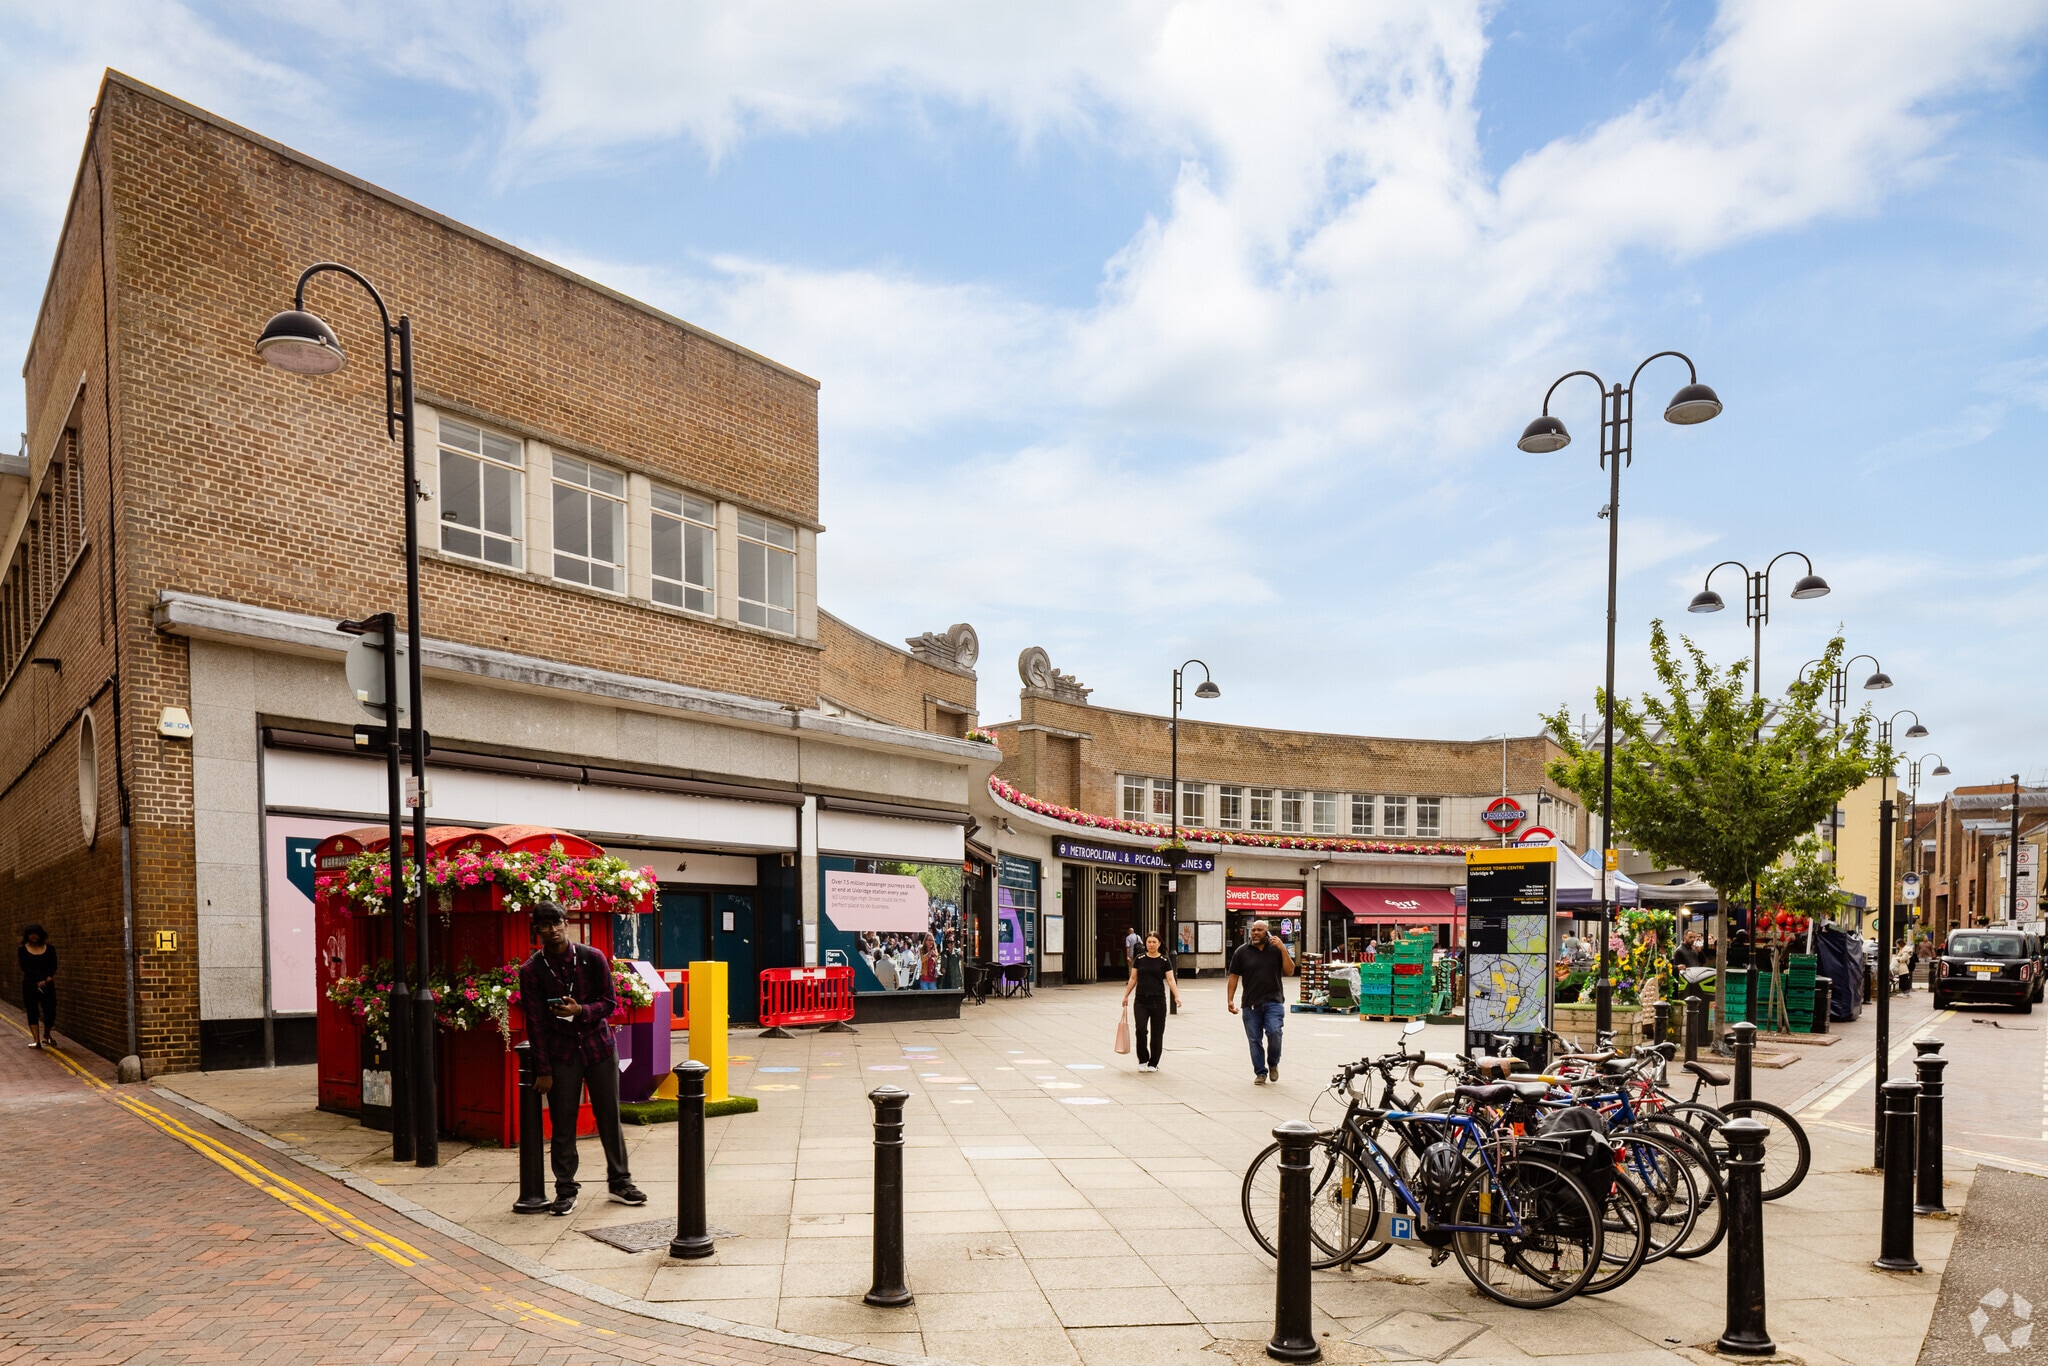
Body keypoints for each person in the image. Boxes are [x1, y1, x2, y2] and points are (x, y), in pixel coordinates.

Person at [518, 902, 646, 1216]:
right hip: (561, 1053)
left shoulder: (592, 958)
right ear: (537, 930)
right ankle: (565, 1190)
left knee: (609, 1117)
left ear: (567, 923)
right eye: (545, 925)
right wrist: (543, 1069)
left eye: (557, 922)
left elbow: (610, 1003)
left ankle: (620, 1182)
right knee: (563, 1123)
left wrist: (580, 1010)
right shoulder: (532, 970)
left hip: (599, 1048)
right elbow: (534, 1022)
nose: (552, 930)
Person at [1226, 919, 1293, 1085]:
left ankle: (1273, 1063)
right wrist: (1230, 1000)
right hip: (1251, 1004)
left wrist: (1283, 949)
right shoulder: (1242, 952)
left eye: (1259, 930)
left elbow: (1290, 971)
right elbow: (1233, 977)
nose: (1255, 933)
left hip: (1274, 1001)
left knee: (1275, 1033)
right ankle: (1260, 1073)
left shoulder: (1276, 950)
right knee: (1254, 1040)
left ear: (1267, 932)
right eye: (1253, 930)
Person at [1121, 932, 1183, 1072]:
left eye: (1154, 942)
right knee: (1141, 1030)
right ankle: (1143, 1059)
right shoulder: (1140, 959)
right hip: (1141, 1000)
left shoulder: (1164, 960)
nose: (1151, 944)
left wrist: (1176, 996)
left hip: (1158, 1001)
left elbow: (1171, 979)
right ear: (1146, 943)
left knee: (1157, 1033)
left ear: (1159, 944)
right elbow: (1133, 978)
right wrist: (1126, 996)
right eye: (1149, 942)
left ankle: (1153, 1063)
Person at [18, 924, 55, 1048]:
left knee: (50, 1010)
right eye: (31, 933)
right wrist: (40, 979)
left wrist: (46, 978)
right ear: (27, 935)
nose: (33, 936)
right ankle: (36, 1040)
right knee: (32, 1010)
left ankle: (47, 1035)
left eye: (36, 933)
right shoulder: (23, 950)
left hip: (47, 984)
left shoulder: (50, 949)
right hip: (30, 984)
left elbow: (53, 965)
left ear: (41, 934)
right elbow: (25, 967)